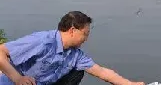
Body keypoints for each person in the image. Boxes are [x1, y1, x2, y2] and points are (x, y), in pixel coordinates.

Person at [0, 11, 145, 85]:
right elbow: (1, 51)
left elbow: (101, 71)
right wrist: (18, 78)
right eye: (85, 34)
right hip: (13, 83)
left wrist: (130, 84)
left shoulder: (75, 54)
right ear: (72, 30)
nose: (86, 39)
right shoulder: (43, 41)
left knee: (77, 73)